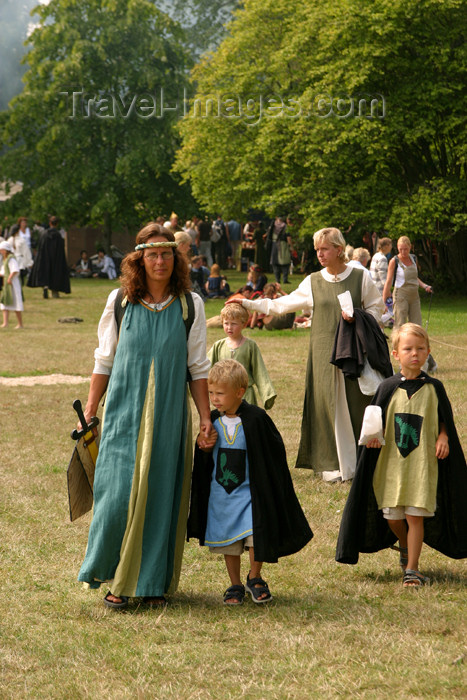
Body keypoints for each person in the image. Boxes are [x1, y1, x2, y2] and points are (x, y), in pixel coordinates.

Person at [78, 223, 212, 608]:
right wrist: (90, 410)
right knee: (116, 495)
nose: (159, 261)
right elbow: (104, 360)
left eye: (166, 254)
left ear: (176, 257)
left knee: (159, 496)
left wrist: (204, 417)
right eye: (151, 254)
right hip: (123, 413)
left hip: (170, 414)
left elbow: (198, 367)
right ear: (139, 259)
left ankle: (152, 583)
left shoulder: (191, 305)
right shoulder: (119, 302)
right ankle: (115, 576)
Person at [232, 227, 384, 482]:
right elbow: (281, 304)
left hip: (355, 353)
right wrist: (247, 303)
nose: (320, 254)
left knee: (356, 404)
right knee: (327, 407)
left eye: (324, 249)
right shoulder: (313, 281)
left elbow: (377, 310)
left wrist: (358, 317)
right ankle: (332, 464)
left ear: (338, 249)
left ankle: (360, 462)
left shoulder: (360, 277)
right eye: (317, 250)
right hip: (324, 354)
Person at [336, 323, 467, 585]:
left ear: (428, 352)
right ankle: (406, 546)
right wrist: (372, 440)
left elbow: (445, 421)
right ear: (396, 354)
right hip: (392, 466)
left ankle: (413, 569)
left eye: (420, 349)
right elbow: (375, 423)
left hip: (422, 465)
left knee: (414, 515)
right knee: (393, 516)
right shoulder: (387, 388)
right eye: (408, 349)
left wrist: (443, 437)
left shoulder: (434, 388)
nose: (415, 354)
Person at [187, 359, 313, 605]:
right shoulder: (211, 420)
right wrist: (203, 446)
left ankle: (254, 577)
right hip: (222, 497)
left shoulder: (256, 419)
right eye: (211, 393)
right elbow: (203, 456)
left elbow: (272, 452)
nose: (215, 398)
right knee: (230, 544)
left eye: (220, 393)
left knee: (256, 535)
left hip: (250, 495)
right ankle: (234, 584)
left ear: (239, 392)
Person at [382, 235, 436, 371]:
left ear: (410, 247)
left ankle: (421, 358)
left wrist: (425, 286)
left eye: (405, 249)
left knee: (417, 326)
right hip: (401, 295)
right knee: (400, 325)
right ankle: (400, 358)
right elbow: (389, 281)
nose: (403, 252)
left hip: (414, 294)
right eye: (400, 249)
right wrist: (384, 300)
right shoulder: (394, 261)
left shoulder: (413, 258)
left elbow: (415, 277)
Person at [208, 303, 276, 409]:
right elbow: (207, 367)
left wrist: (267, 393)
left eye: (234, 324)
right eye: (226, 323)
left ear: (244, 324)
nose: (229, 327)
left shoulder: (250, 346)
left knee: (246, 422)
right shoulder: (218, 346)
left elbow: (260, 371)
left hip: (246, 395)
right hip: (224, 395)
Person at [27, 216, 71, 298]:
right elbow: (60, 250)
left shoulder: (44, 234)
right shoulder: (58, 236)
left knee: (45, 273)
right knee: (55, 274)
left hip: (45, 258)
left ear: (49, 223)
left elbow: (40, 247)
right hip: (56, 259)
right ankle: (55, 292)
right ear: (57, 224)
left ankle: (45, 286)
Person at [0, 241, 24, 328]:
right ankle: (5, 323)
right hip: (7, 284)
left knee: (16, 302)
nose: (1, 252)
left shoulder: (11, 259)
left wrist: (10, 278)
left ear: (6, 250)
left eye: (2, 250)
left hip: (13, 284)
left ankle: (20, 324)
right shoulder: (5, 259)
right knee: (5, 303)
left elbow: (15, 270)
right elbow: (3, 271)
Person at [265, 216, 292, 284]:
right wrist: (291, 246)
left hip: (274, 245)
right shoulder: (285, 226)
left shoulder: (272, 226)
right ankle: (285, 279)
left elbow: (267, 235)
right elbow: (288, 237)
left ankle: (277, 280)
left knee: (275, 263)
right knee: (285, 263)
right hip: (283, 245)